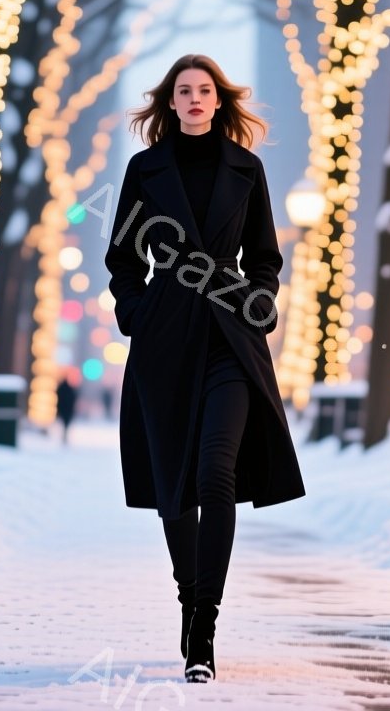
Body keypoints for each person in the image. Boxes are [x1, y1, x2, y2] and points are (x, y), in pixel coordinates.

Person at [104, 53, 307, 684]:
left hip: (230, 336)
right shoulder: (146, 169)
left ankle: (204, 628)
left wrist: (259, 301)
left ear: (220, 101)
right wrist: (138, 312)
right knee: (176, 487)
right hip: (165, 339)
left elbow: (267, 257)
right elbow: (122, 260)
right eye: (184, 91)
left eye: (205, 91)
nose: (194, 99)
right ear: (170, 102)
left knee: (216, 470)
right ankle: (189, 600)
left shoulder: (247, 169)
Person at [55, 371, 78, 446]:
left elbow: (58, 397)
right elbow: (73, 399)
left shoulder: (61, 388)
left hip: (63, 408)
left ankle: (64, 435)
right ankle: (65, 435)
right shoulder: (70, 389)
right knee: (66, 423)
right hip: (68, 409)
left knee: (64, 423)